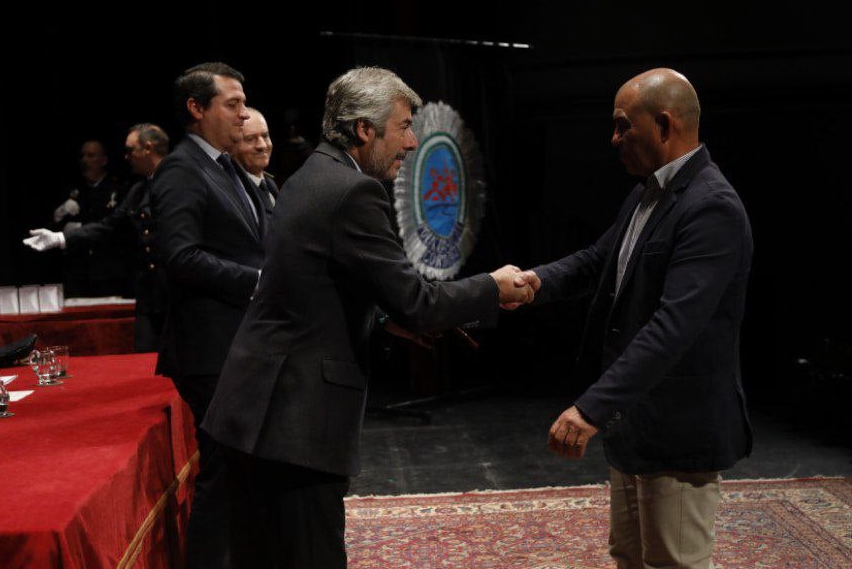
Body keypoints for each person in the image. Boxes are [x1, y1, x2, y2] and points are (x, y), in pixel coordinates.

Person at [206, 66, 535, 569]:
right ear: (365, 129)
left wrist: (381, 322)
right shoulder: (354, 193)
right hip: (293, 423)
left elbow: (311, 289)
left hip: (256, 410)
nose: (410, 142)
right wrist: (492, 287)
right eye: (404, 126)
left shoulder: (309, 174)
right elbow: (417, 302)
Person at [523, 68, 753, 569]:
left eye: (624, 125)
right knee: (629, 555)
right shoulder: (650, 192)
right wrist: (532, 283)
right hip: (637, 423)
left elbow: (675, 328)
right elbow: (595, 260)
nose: (615, 139)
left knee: (674, 563)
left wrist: (590, 409)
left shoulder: (711, 207)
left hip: (679, 429)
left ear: (665, 125)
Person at [150, 62, 269, 569]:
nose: (243, 116)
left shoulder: (222, 166)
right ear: (196, 110)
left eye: (244, 104)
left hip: (236, 343)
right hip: (209, 350)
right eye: (232, 105)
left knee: (241, 470)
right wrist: (259, 281)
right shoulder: (182, 168)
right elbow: (180, 257)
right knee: (222, 473)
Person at [23, 124, 170, 351]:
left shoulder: (178, 180)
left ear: (148, 148)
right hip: (148, 293)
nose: (127, 157)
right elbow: (109, 225)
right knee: (145, 359)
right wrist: (60, 238)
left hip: (173, 289)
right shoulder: (138, 191)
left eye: (131, 150)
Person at [53, 139, 131, 298]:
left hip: (107, 271)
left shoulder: (118, 189)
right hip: (77, 272)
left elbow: (116, 225)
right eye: (82, 156)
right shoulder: (74, 190)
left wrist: (80, 227)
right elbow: (54, 225)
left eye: (91, 156)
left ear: (103, 160)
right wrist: (60, 213)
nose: (85, 161)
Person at [232, 108, 279, 212]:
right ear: (232, 146)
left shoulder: (270, 185)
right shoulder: (233, 193)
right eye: (250, 139)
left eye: (265, 136)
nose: (262, 145)